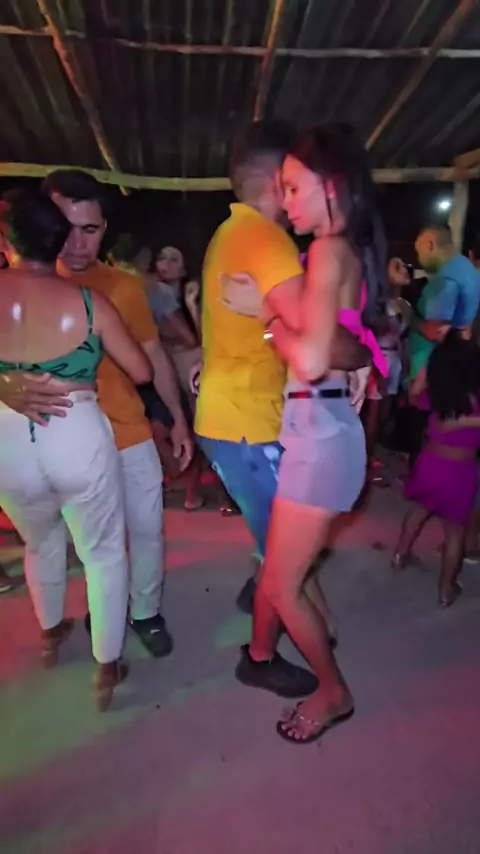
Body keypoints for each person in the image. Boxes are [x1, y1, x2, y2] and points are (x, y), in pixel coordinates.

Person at [195, 120, 373, 696]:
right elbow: (330, 347)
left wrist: (360, 349)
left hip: (257, 418)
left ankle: (270, 641)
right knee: (284, 567)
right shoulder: (268, 243)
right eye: (290, 184)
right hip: (251, 422)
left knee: (280, 560)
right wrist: (366, 352)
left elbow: (317, 341)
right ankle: (285, 655)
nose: (292, 198)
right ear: (279, 178)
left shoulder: (236, 231)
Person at [0, 169, 193, 657]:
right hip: (52, 435)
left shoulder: (123, 288)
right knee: (58, 542)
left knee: (145, 529)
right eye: (67, 228)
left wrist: (177, 419)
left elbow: (152, 357)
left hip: (125, 430)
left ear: (105, 229)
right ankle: (96, 629)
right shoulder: (24, 283)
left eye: (90, 229)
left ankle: (145, 613)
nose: (77, 243)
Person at [0, 191, 152, 709]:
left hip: (7, 436)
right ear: (60, 241)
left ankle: (49, 636)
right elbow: (141, 371)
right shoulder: (90, 303)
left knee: (39, 541)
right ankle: (106, 668)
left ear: (6, 240)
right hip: (76, 426)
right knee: (102, 552)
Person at [393, 331, 480, 606]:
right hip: (460, 470)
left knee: (419, 510)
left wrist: (425, 375)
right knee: (455, 531)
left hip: (430, 463)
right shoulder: (476, 400)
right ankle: (446, 589)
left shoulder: (437, 396)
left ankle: (399, 556)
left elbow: (414, 396)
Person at [407, 226, 480, 465]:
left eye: (419, 251)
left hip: (433, 368)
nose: (418, 258)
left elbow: (435, 331)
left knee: (429, 432)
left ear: (430, 244)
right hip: (456, 363)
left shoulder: (446, 279)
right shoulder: (467, 270)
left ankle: (427, 474)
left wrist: (408, 315)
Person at [364, 257, 410, 473]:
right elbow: (371, 336)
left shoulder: (404, 305)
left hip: (395, 358)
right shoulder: (378, 304)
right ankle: (367, 456)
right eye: (397, 267)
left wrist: (405, 361)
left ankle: (373, 451)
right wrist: (378, 368)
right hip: (379, 356)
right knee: (374, 411)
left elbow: (403, 337)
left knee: (385, 411)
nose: (404, 271)